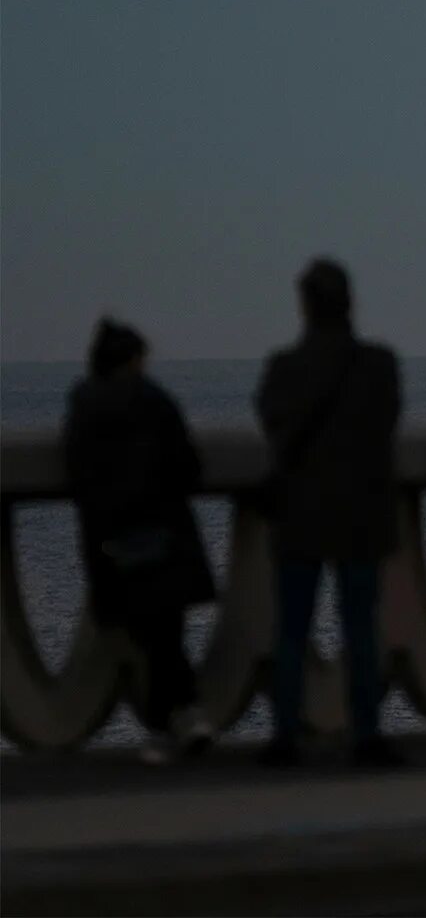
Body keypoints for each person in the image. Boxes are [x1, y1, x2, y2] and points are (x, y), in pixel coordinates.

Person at [254, 259, 403, 767]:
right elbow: (386, 421)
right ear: (349, 303)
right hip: (361, 514)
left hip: (300, 515)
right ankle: (366, 735)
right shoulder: (378, 366)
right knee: (360, 628)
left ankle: (284, 737)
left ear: (304, 306)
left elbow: (271, 422)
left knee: (292, 630)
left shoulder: (284, 370)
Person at [64, 319, 216, 765]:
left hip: (114, 542)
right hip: (163, 537)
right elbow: (188, 466)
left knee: (155, 637)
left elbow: (80, 477)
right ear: (134, 360)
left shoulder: (84, 407)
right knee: (165, 634)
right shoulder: (155, 401)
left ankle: (173, 724)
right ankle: (177, 722)